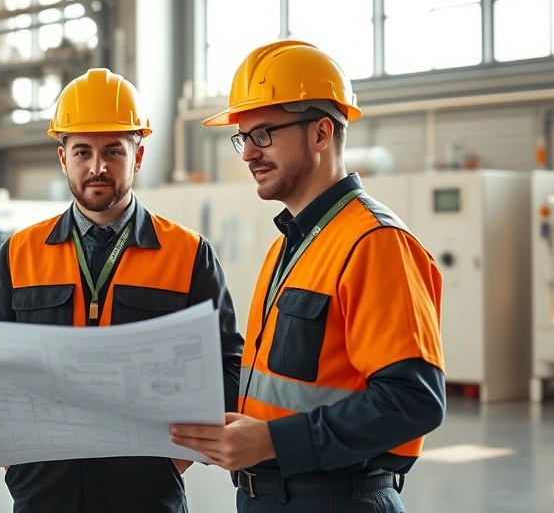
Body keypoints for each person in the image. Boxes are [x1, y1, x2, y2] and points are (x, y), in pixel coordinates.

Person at [168, 40, 446, 513]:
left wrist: (273, 441)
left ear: (320, 133)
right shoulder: (288, 246)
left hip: (336, 500)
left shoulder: (375, 243)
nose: (248, 154)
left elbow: (413, 401)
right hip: (269, 497)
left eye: (265, 134)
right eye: (243, 138)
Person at [0, 67, 245, 513]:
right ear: (63, 158)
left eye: (113, 151)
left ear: (138, 157)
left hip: (146, 493)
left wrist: (177, 458)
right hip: (43, 493)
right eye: (82, 151)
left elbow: (227, 367)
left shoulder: (188, 253)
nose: (97, 167)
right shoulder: (19, 253)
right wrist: (18, 466)